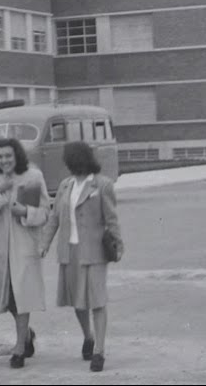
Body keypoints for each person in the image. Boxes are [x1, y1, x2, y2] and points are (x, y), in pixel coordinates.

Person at [40, 141, 121, 373]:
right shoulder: (65, 185)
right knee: (78, 301)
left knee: (97, 300)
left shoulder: (102, 184)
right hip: (69, 250)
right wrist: (43, 244)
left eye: (76, 160)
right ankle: (88, 337)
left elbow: (112, 218)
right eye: (70, 161)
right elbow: (55, 219)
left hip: (94, 251)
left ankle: (100, 352)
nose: (73, 165)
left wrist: (118, 245)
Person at [0, 138, 51, 368]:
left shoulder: (33, 176)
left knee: (22, 297)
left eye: (8, 156)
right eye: (0, 157)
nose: (4, 160)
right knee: (7, 298)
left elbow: (45, 212)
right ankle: (27, 334)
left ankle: (19, 348)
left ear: (17, 155)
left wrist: (26, 211)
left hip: (23, 244)